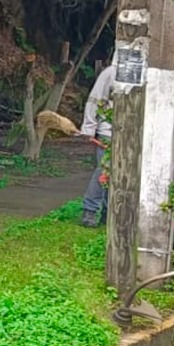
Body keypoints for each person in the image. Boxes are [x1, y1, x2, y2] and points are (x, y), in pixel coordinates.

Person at [78, 62, 115, 227]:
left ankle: (109, 212)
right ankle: (90, 210)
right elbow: (95, 100)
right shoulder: (111, 73)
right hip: (108, 132)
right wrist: (89, 127)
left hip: (132, 135)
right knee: (103, 172)